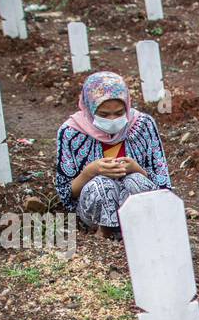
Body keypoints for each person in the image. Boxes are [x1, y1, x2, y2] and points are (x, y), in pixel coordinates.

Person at [54, 72, 170, 237]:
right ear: (89, 108)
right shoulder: (71, 132)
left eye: (119, 112)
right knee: (102, 184)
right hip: (93, 211)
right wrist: (90, 172)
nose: (112, 119)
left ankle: (140, 231)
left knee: (135, 181)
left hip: (141, 211)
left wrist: (137, 169)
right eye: (103, 115)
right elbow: (66, 193)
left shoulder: (143, 125)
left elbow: (163, 185)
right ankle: (105, 233)